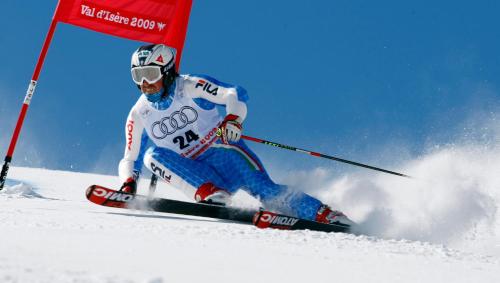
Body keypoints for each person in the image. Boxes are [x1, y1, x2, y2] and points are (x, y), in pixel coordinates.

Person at [118, 43, 353, 226]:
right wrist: (128, 184)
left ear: (167, 72)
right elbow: (131, 157)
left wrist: (233, 119)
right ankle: (212, 195)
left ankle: (326, 215)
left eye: (150, 73)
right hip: (199, 175)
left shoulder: (190, 86)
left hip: (225, 153)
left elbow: (233, 94)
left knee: (267, 192)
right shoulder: (139, 113)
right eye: (138, 76)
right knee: (151, 156)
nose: (146, 83)